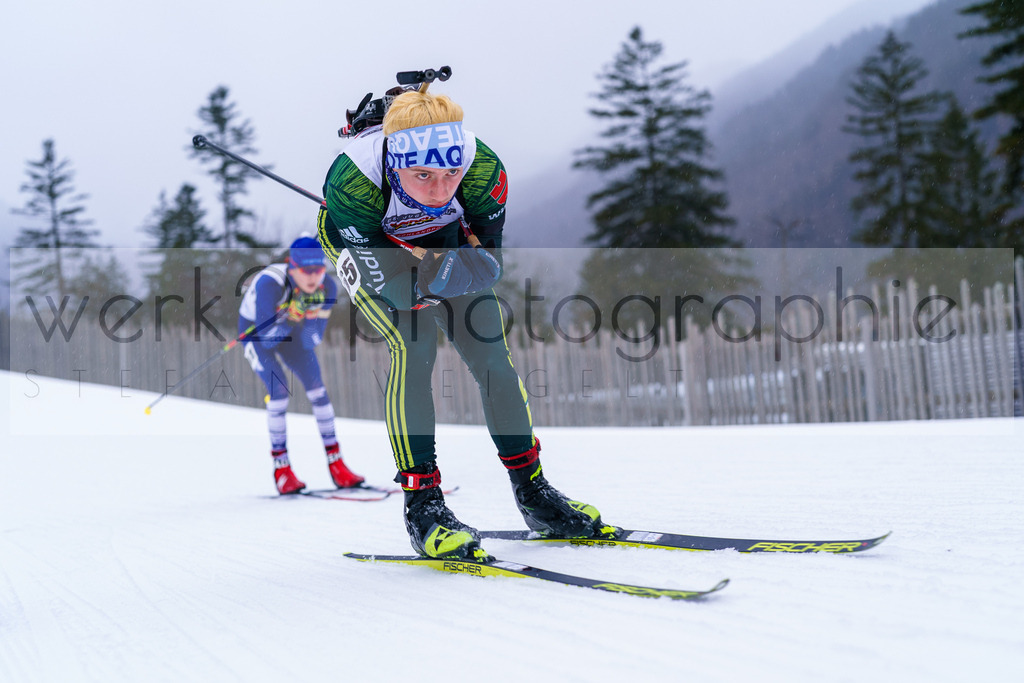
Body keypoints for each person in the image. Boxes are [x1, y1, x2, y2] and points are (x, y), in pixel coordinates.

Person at [317, 86, 607, 559]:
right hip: (367, 244)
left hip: (444, 240)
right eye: (423, 175)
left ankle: (533, 492)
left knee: (491, 353)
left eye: (450, 172)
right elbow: (391, 284)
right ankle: (423, 504)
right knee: (414, 344)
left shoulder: (483, 169)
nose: (439, 188)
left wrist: (454, 265)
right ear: (394, 164)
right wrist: (422, 283)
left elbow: (488, 257)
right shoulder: (355, 183)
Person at [238, 235, 364, 495]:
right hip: (257, 334)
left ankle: (337, 463)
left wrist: (308, 317)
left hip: (290, 332)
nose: (313, 277)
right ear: (291, 267)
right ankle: (282, 470)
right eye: (306, 270)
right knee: (279, 391)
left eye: (318, 269)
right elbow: (269, 340)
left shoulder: (327, 287)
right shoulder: (269, 284)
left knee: (318, 389)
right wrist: (290, 315)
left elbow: (311, 341)